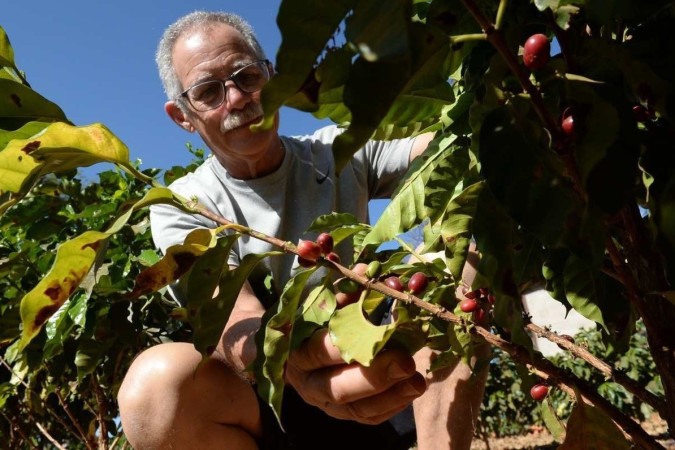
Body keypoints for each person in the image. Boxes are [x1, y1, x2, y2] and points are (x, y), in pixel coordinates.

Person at [117, 10, 487, 450]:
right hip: (276, 407)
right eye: (208, 91)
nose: (236, 98)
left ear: (272, 78)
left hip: (384, 379)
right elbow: (233, 318)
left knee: (467, 257)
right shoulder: (186, 205)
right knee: (154, 389)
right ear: (182, 116)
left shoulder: (336, 151)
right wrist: (297, 362)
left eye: (246, 76)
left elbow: (444, 151)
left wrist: (490, 99)